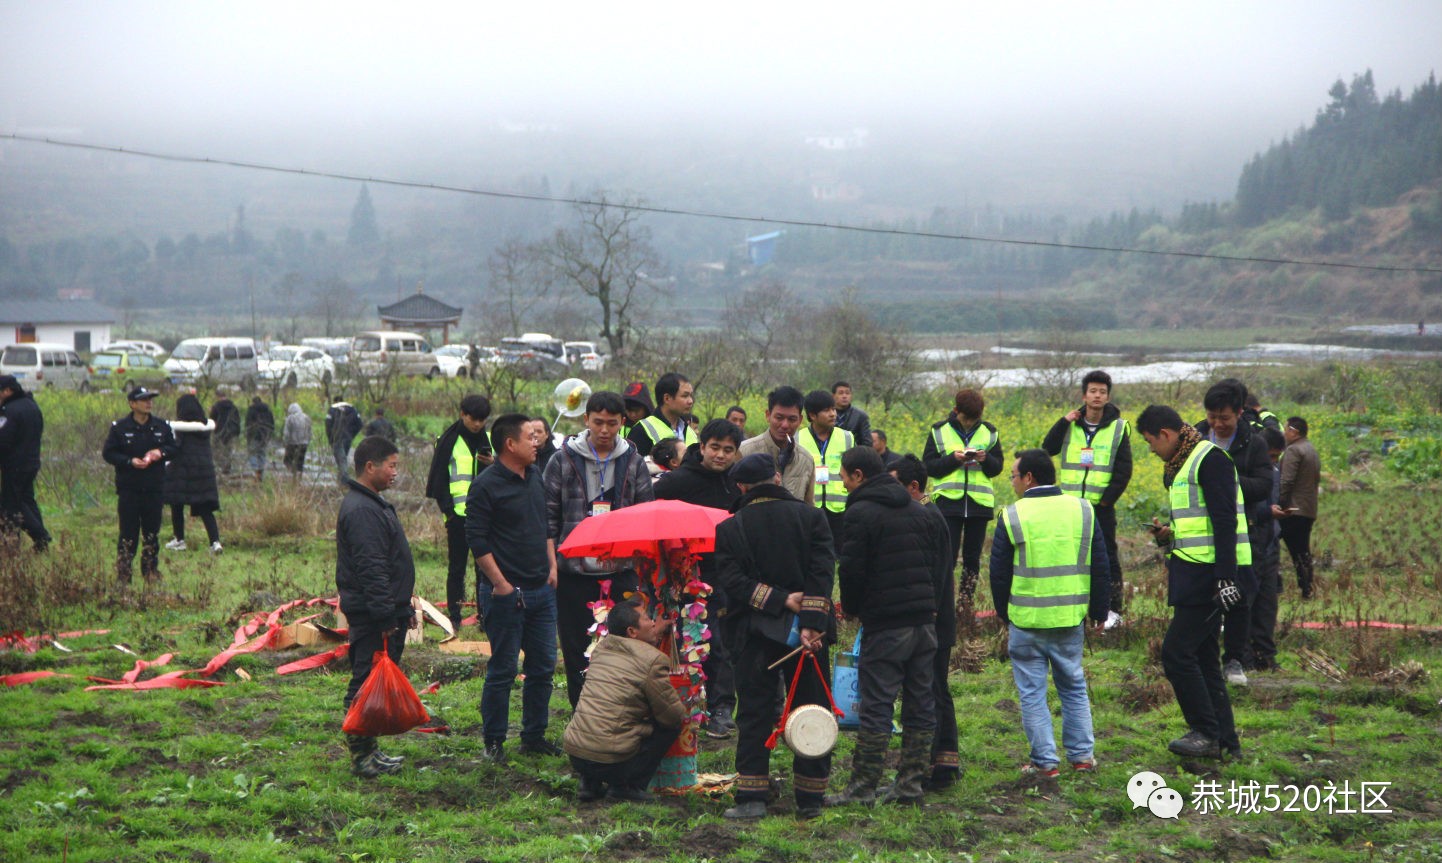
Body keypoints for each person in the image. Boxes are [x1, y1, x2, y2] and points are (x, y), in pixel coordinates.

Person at [712, 453, 836, 820]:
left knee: (754, 710)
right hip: (808, 636)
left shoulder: (730, 528)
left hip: (754, 632)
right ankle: (810, 798)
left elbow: (732, 583)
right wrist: (811, 622)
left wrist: (778, 601)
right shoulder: (813, 517)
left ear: (742, 488)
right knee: (812, 707)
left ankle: (752, 796)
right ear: (777, 477)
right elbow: (822, 573)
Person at [827, 446, 944, 807]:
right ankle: (910, 786)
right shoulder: (918, 510)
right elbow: (935, 566)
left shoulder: (861, 512)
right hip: (924, 624)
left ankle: (862, 789)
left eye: (844, 477)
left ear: (858, 475)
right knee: (920, 701)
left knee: (877, 703)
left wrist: (854, 608)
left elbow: (852, 568)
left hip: (887, 624)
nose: (843, 484)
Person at [1136, 405, 1248, 760]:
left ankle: (1205, 731)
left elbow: (1225, 521)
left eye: (1151, 442)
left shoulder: (1208, 459)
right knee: (1201, 658)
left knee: (1176, 653)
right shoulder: (1182, 464)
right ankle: (1225, 742)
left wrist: (1226, 579)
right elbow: (1198, 524)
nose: (1151, 449)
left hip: (1210, 576)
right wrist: (1169, 535)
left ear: (1166, 435)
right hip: (1192, 571)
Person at [989, 449, 1110, 777]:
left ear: (1029, 477)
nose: (1012, 482)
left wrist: (1005, 613)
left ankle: (1044, 763)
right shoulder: (1082, 509)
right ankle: (1083, 757)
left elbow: (999, 574)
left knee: (1032, 693)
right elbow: (1100, 564)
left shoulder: (1013, 515)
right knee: (1073, 685)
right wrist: (1099, 610)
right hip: (1069, 618)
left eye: (1014, 475)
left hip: (1026, 620)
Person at [545, 391, 655, 710]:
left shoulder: (632, 462)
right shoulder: (562, 460)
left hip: (621, 570)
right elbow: (548, 515)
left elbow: (645, 513)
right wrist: (552, 564)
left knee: (625, 642)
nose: (604, 430)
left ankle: (621, 708)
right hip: (574, 571)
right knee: (578, 644)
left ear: (623, 423)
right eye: (598, 423)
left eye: (611, 424)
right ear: (586, 421)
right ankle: (584, 711)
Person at [467, 413, 558, 763]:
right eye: (529, 438)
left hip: (542, 590)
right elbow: (477, 540)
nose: (536, 442)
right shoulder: (486, 486)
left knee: (543, 667)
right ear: (509, 444)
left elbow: (545, 525)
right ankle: (494, 742)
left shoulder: (535, 476)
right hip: (508, 596)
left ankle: (533, 736)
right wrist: (501, 584)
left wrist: (552, 567)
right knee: (503, 669)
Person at [654, 418, 744, 739]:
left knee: (722, 643)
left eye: (728, 450)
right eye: (715, 448)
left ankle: (722, 708)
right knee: (689, 641)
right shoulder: (677, 482)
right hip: (687, 573)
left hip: (727, 572)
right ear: (701, 446)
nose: (720, 455)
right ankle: (690, 704)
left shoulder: (737, 482)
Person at [336, 435, 419, 778]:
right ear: (370, 467)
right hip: (373, 615)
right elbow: (372, 569)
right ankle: (360, 755)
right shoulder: (362, 510)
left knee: (373, 681)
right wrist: (386, 614)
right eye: (391, 465)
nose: (395, 472)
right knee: (366, 683)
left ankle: (371, 748)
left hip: (387, 610)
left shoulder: (373, 504)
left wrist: (403, 608)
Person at [563, 598, 689, 802]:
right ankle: (629, 786)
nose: (653, 623)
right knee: (671, 724)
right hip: (611, 761)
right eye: (648, 618)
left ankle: (589, 782)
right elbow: (672, 715)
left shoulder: (601, 649)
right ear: (632, 631)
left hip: (577, 754)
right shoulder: (653, 660)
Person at [1041, 370, 1133, 630]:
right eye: (1093, 391)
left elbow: (1124, 469)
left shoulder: (1118, 427)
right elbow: (1047, 449)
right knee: (1069, 556)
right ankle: (1073, 606)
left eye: (1102, 392)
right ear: (1084, 395)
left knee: (1107, 560)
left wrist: (1106, 501)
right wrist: (1062, 421)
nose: (1097, 396)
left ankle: (1113, 612)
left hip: (1100, 509)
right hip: (1070, 508)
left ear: (1108, 396)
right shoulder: (1071, 424)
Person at [891, 454, 959, 789]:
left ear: (913, 487)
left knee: (932, 689)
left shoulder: (927, 518)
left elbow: (932, 576)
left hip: (933, 621)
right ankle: (944, 760)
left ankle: (941, 765)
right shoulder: (931, 514)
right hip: (937, 619)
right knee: (936, 688)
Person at [1195, 380, 1269, 687]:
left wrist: (1227, 484)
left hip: (1241, 534)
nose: (1217, 423)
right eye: (1212, 416)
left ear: (1239, 412)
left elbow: (1265, 485)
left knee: (1239, 598)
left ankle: (1235, 659)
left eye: (1224, 418)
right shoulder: (1197, 436)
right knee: (1204, 598)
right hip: (1202, 534)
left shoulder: (1255, 442)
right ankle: (1206, 659)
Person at [922, 388, 1003, 628]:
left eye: (975, 419)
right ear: (956, 411)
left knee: (972, 558)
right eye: (968, 418)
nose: (971, 423)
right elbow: (929, 467)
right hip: (949, 504)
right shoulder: (939, 431)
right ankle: (942, 605)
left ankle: (965, 607)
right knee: (946, 558)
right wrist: (954, 459)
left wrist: (985, 459)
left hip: (978, 505)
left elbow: (997, 467)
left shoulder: (989, 432)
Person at [425, 394, 494, 633]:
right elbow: (438, 479)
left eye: (481, 420)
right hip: (458, 516)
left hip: (485, 517)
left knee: (485, 568)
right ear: (462, 414)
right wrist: (449, 513)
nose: (477, 424)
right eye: (473, 419)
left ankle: (485, 615)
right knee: (457, 568)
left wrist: (492, 463)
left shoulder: (490, 441)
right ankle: (454, 617)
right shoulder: (447, 440)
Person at [102, 388, 178, 585]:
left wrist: (159, 452)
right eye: (143, 400)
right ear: (132, 404)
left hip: (154, 489)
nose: (148, 403)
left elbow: (173, 449)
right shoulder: (119, 428)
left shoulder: (161, 426)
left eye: (150, 399)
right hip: (129, 489)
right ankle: (124, 574)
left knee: (152, 533)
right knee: (128, 533)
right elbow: (109, 453)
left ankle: (151, 571)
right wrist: (129, 461)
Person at [162, 394, 223, 554]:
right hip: (203, 473)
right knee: (205, 508)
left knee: (177, 504)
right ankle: (215, 542)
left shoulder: (180, 429)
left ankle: (179, 539)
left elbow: (174, 448)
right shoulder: (205, 429)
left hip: (182, 473)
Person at [797, 389, 854, 556]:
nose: (833, 414)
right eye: (827, 410)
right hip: (810, 507)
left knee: (840, 554)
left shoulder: (847, 437)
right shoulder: (798, 438)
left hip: (840, 509)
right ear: (812, 416)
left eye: (834, 409)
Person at [1249, 427, 1286, 673]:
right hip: (1250, 544)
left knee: (1267, 605)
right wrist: (1265, 513)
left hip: (1270, 544)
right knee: (1246, 605)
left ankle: (1266, 656)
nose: (1273, 462)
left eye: (1277, 457)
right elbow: (1240, 508)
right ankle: (1244, 659)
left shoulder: (1273, 473)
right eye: (1271, 456)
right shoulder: (1247, 473)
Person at [738, 386, 815, 505]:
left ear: (800, 420)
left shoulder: (806, 460)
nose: (785, 425)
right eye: (779, 418)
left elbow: (809, 506)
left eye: (792, 419)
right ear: (768, 415)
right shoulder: (744, 452)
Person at [0, 375, 51, 551]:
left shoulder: (10, 410)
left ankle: (23, 541)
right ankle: (41, 541)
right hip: (31, 461)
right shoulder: (31, 405)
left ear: (7, 391)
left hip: (14, 465)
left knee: (11, 505)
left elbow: (3, 440)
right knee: (27, 500)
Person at [1275, 416, 1320, 598]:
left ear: (1294, 431)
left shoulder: (1293, 450)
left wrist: (1280, 503)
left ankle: (1298, 587)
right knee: (1302, 551)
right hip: (1308, 508)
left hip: (1293, 510)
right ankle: (1307, 587)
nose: (1284, 433)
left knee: (1271, 544)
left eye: (1286, 429)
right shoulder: (1310, 448)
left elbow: (1286, 480)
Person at [627, 372, 696, 457]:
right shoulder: (642, 430)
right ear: (667, 398)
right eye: (685, 396)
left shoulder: (690, 431)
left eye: (691, 396)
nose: (690, 401)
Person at [325, 401, 364, 482]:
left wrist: (331, 438)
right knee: (343, 457)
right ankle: (340, 479)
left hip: (336, 438)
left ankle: (344, 481)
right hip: (348, 438)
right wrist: (351, 434)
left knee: (341, 459)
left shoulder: (332, 409)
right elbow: (360, 424)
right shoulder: (353, 409)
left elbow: (328, 424)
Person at [209, 387, 241, 476]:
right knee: (228, 450)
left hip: (219, 431)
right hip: (231, 432)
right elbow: (237, 420)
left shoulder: (216, 407)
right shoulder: (233, 407)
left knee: (216, 449)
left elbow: (212, 420)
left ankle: (220, 466)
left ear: (217, 396)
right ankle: (227, 467)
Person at [831, 381, 873, 448]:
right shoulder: (826, 414)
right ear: (833, 396)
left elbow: (867, 442)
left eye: (847, 393)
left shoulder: (860, 416)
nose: (844, 396)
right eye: (841, 393)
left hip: (853, 454)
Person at [244, 396, 275, 482]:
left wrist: (247, 435)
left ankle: (255, 471)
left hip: (254, 436)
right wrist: (269, 435)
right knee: (262, 453)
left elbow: (248, 424)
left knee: (252, 453)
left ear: (253, 402)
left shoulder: (251, 410)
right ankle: (261, 471)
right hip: (265, 436)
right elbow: (272, 424)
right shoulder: (268, 411)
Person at [282, 402, 312, 479]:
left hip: (292, 443)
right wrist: (308, 441)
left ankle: (293, 472)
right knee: (300, 462)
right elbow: (310, 431)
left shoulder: (290, 418)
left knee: (287, 461)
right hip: (304, 444)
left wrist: (285, 442)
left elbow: (286, 433)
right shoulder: (307, 417)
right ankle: (299, 478)